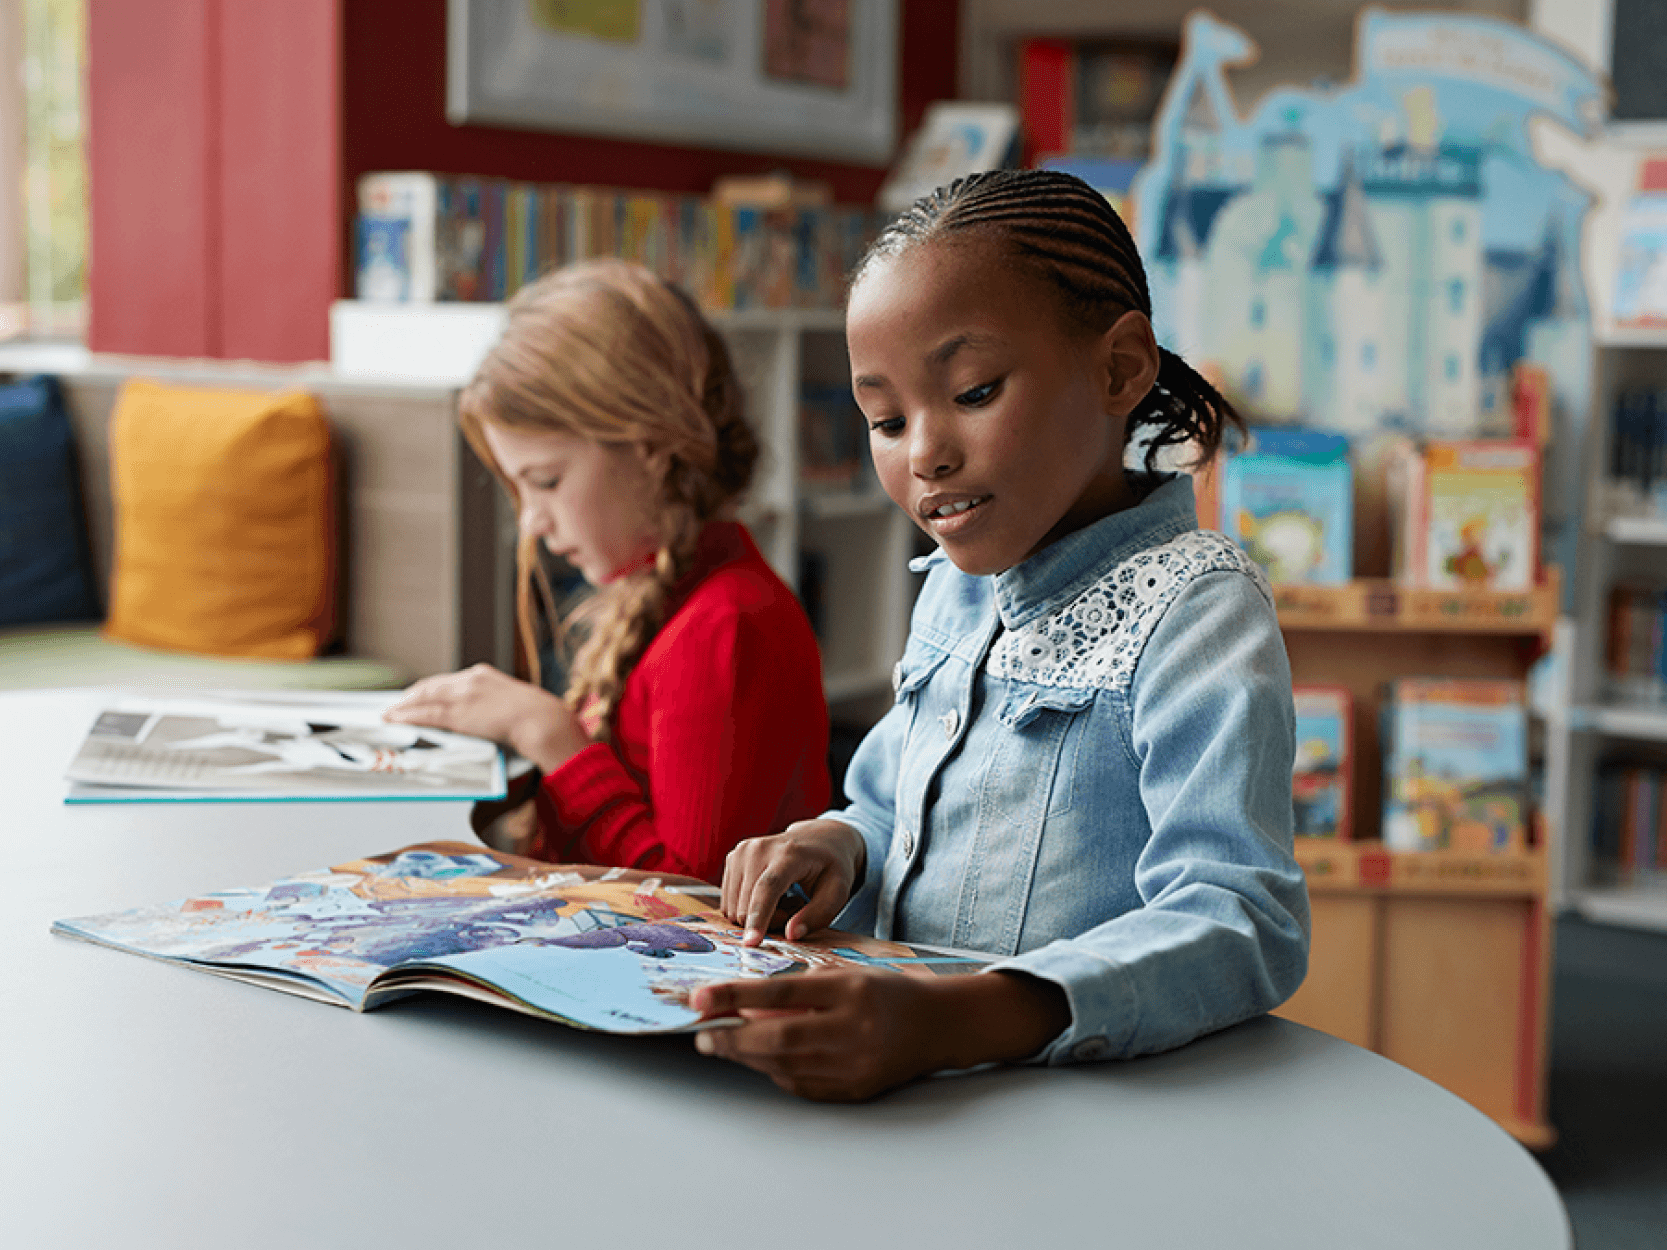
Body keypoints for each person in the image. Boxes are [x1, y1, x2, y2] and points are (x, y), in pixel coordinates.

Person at [689, 169, 1311, 1100]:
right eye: (886, 420)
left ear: (1118, 368)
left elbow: (1237, 918)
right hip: (909, 1086)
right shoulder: (952, 587)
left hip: (1066, 1108)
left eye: (973, 392)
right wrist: (834, 843)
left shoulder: (1196, 610)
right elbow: (890, 811)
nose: (924, 455)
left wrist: (961, 1018)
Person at [385, 259, 831, 884]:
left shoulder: (725, 626)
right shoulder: (658, 593)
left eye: (546, 481)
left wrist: (549, 735)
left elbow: (694, 904)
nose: (532, 523)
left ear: (650, 447)